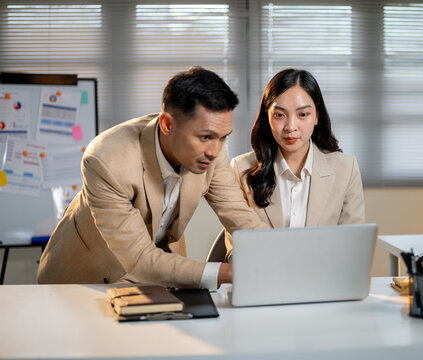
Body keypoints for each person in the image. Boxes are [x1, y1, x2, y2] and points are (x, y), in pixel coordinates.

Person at [37, 67, 267, 289]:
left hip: (158, 268)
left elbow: (239, 216)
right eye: (206, 137)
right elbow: (139, 259)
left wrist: (278, 256)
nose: (215, 151)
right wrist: (229, 273)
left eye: (223, 138)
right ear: (167, 124)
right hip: (87, 274)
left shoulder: (211, 151)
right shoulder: (106, 160)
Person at [225, 69, 365, 260]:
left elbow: (353, 248)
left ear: (316, 116)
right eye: (280, 115)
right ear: (267, 116)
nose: (291, 126)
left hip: (323, 283)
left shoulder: (345, 169)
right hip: (264, 281)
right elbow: (236, 251)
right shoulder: (241, 168)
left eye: (303, 114)